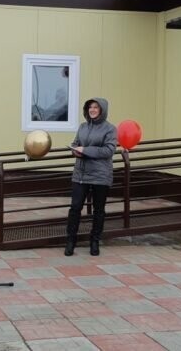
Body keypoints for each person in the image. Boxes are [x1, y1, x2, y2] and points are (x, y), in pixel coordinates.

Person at [65, 98, 117, 256]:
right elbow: (76, 143)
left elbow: (108, 151)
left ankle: (95, 241)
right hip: (80, 174)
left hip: (100, 175)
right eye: (90, 107)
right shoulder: (82, 127)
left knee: (98, 210)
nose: (92, 110)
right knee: (75, 208)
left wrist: (85, 150)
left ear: (102, 110)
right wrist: (74, 149)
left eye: (96, 107)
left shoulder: (110, 129)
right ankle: (70, 241)